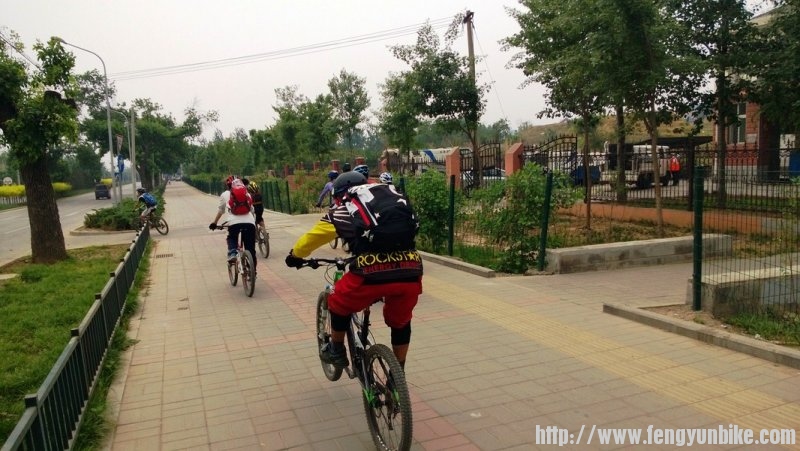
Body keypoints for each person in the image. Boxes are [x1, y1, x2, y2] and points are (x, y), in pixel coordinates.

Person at [284, 171, 423, 371]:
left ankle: (336, 350)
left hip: (370, 273)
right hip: (411, 270)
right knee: (401, 321)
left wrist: (295, 256)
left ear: (339, 194)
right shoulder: (390, 200)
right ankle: (398, 372)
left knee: (338, 302)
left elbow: (311, 238)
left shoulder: (342, 210)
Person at [209, 176, 257, 271]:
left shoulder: (224, 194)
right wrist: (252, 222)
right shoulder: (246, 193)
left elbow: (221, 210)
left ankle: (233, 253)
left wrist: (214, 223)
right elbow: (252, 210)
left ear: (227, 186)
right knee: (251, 249)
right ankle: (253, 272)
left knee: (232, 237)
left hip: (234, 222)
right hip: (249, 222)